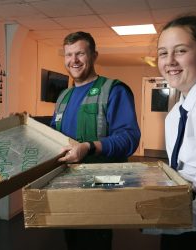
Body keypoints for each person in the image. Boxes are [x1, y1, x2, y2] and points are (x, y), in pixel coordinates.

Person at [50, 31, 141, 250]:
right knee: (72, 240)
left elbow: (129, 138)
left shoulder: (114, 90)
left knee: (94, 240)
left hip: (101, 182)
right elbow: (54, 135)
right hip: (67, 184)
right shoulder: (64, 96)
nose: (74, 60)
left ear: (94, 56)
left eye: (80, 53)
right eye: (68, 54)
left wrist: (89, 147)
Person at [144, 15, 196, 249]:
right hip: (183, 211)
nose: (169, 61)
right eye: (163, 53)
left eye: (180, 51)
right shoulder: (178, 110)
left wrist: (159, 219)